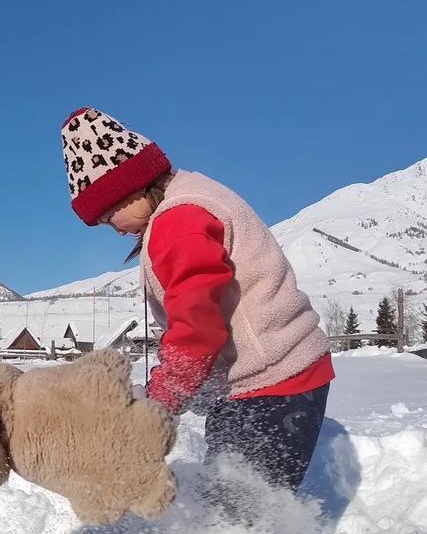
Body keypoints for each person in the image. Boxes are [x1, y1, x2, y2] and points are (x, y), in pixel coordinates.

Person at [59, 106, 334, 497]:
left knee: (246, 509)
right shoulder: (191, 196)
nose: (114, 230)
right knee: (225, 492)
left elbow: (197, 329)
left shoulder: (178, 221)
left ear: (127, 189)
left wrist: (161, 402)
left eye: (106, 217)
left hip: (274, 382)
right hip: (264, 378)